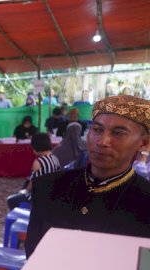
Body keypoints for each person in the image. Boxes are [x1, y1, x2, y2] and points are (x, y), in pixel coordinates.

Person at [25, 95, 150, 258]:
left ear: (144, 143)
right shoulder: (48, 187)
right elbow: (33, 253)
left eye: (118, 133)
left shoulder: (146, 202)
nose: (102, 141)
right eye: (97, 129)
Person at [6, 133, 60, 210]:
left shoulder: (38, 162)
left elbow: (33, 183)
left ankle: (21, 218)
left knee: (11, 200)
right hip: (52, 194)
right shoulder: (55, 159)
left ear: (36, 146)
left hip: (39, 197)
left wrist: (24, 191)